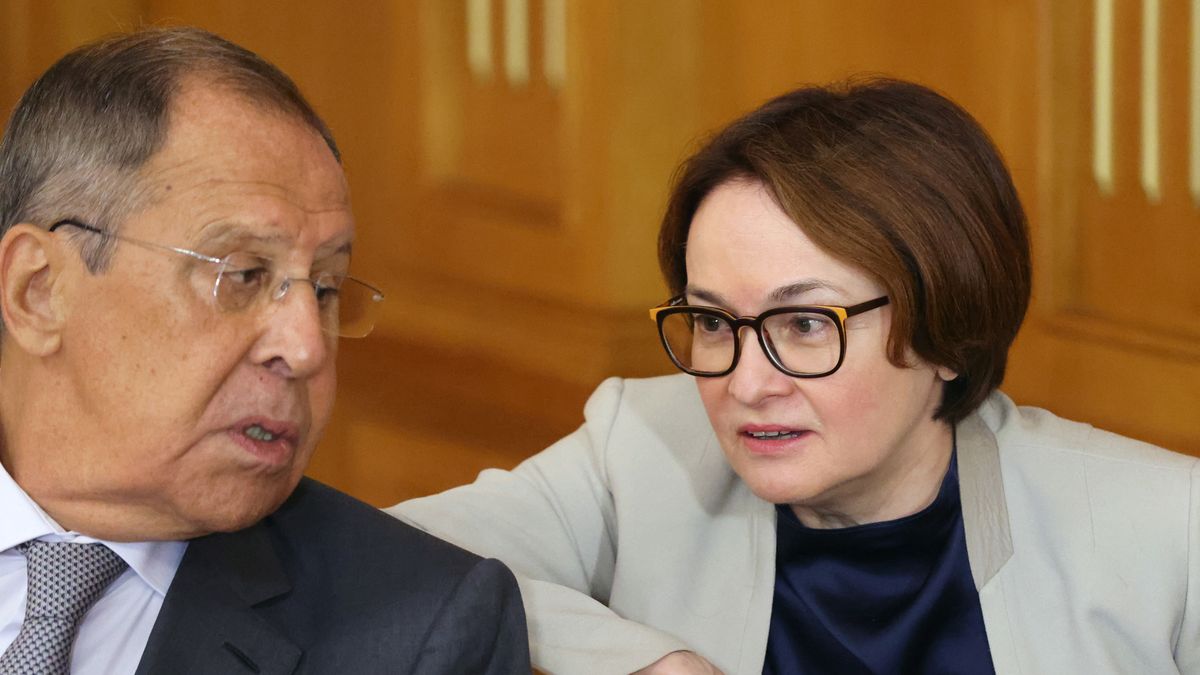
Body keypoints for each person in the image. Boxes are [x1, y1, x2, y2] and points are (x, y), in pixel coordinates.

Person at [392, 78, 1200, 674]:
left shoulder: (1164, 528)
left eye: (805, 323)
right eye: (712, 321)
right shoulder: (638, 450)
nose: (746, 383)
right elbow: (389, 560)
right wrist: (646, 663)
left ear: (949, 329)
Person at [0, 27, 529, 673]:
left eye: (327, 288)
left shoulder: (415, 631)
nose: (306, 348)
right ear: (40, 290)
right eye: (243, 275)